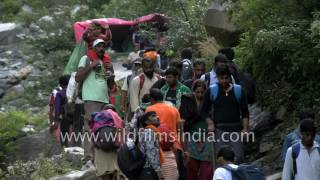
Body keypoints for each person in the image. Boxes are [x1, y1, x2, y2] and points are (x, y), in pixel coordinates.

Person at [202, 64, 249, 164]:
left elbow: (245, 111)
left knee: (238, 158)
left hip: (236, 129)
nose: (224, 81)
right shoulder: (212, 90)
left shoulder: (238, 90)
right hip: (219, 130)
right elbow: (204, 111)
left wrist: (245, 128)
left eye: (226, 78)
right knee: (221, 159)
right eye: (221, 78)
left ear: (230, 77)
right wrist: (210, 123)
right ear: (217, 78)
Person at [75, 39, 111, 164]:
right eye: (99, 46)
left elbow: (111, 85)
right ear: (93, 48)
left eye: (103, 46)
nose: (102, 48)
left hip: (105, 100)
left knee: (104, 128)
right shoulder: (86, 58)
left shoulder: (105, 62)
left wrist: (111, 74)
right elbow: (78, 77)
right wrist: (91, 66)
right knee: (90, 128)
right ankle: (88, 158)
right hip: (91, 98)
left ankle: (100, 157)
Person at [146, 89, 185, 180]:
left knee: (159, 175)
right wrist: (183, 149)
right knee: (173, 175)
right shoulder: (174, 109)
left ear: (152, 99)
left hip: (157, 147)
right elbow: (180, 130)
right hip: (174, 147)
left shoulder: (150, 109)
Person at [179, 80, 214, 180]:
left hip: (206, 133)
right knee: (191, 162)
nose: (200, 94)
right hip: (191, 132)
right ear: (193, 91)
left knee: (207, 162)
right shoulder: (187, 100)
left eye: (202, 92)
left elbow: (212, 115)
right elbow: (183, 117)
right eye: (197, 92)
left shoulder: (208, 100)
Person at [138, 111, 164, 180]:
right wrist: (158, 171)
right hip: (149, 169)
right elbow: (151, 152)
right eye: (153, 116)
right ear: (147, 122)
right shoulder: (149, 132)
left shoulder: (151, 131)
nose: (157, 117)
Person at [66, 72, 84, 147]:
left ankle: (77, 144)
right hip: (89, 101)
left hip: (78, 102)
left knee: (77, 125)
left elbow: (72, 88)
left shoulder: (75, 75)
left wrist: (70, 101)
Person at [54, 75, 71, 147]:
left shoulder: (60, 93)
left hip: (66, 116)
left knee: (64, 132)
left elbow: (57, 108)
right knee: (77, 131)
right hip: (77, 115)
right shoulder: (75, 92)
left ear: (60, 84)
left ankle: (65, 147)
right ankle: (77, 145)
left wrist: (56, 120)